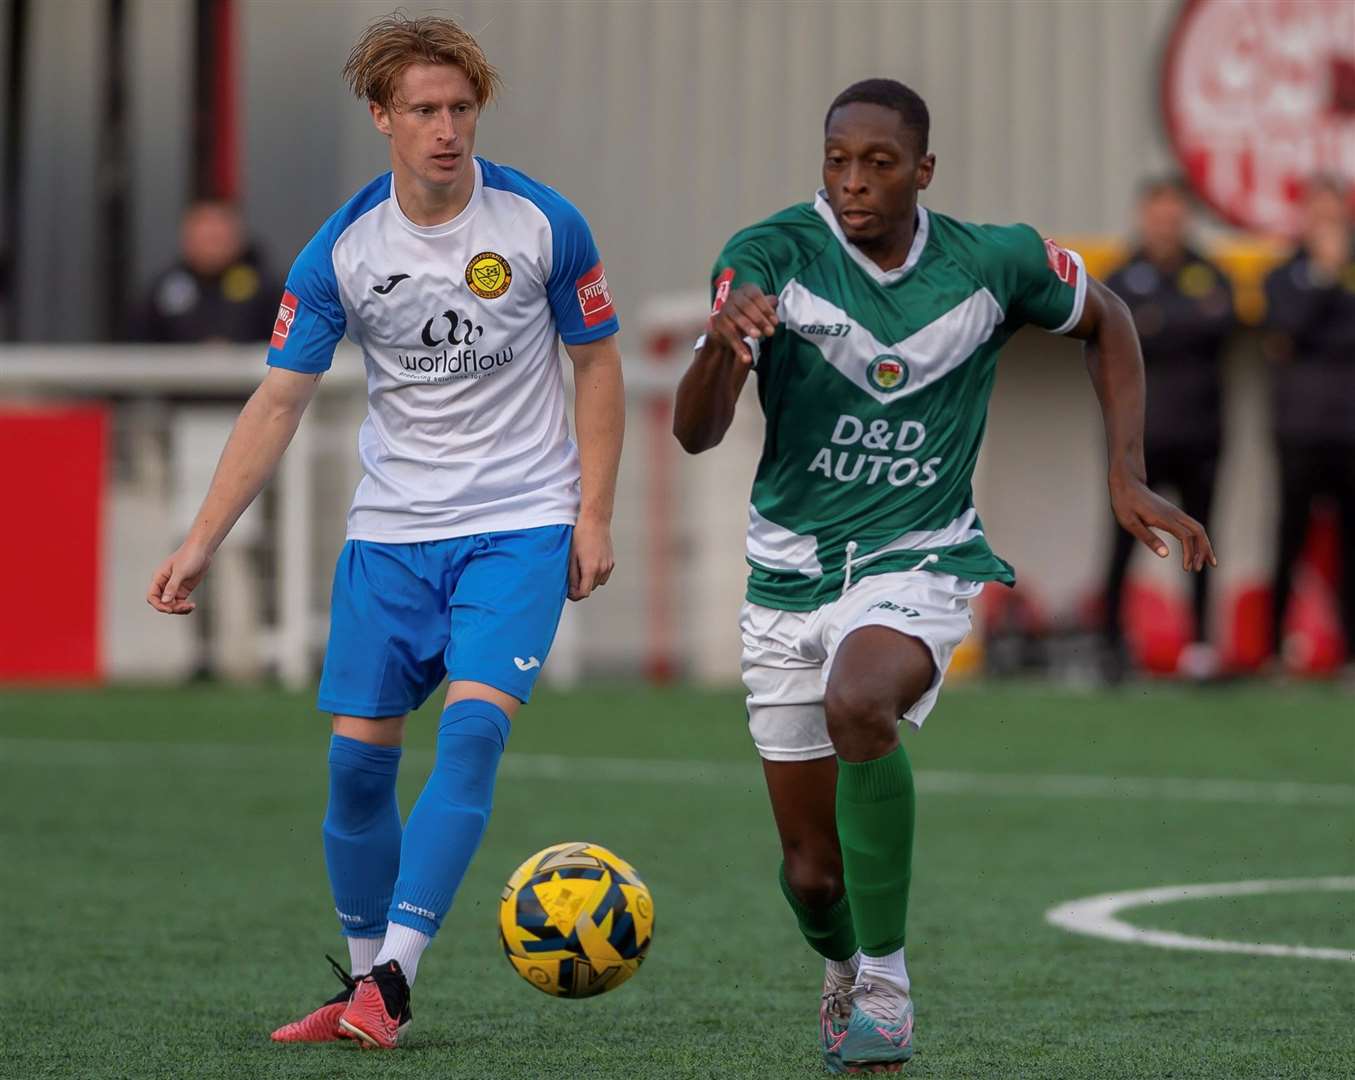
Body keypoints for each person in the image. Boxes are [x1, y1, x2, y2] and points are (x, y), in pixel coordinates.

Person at [673, 79, 1214, 1074]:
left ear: (923, 171)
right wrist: (723, 342)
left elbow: (1109, 323)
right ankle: (840, 965)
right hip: (786, 575)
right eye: (836, 160)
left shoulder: (992, 260)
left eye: (877, 163)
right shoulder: (769, 257)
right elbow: (696, 433)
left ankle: (885, 981)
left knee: (859, 698)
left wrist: (1123, 472)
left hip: (918, 555)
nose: (851, 182)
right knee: (809, 875)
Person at [146, 14, 624, 1050]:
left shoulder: (544, 224)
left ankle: (394, 983)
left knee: (473, 730)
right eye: (422, 110)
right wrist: (200, 541)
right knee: (356, 772)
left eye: (459, 108)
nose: (445, 129)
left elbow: (596, 364)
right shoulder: (342, 250)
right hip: (390, 537)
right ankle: (361, 980)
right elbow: (277, 402)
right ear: (381, 117)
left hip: (520, 525)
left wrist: (591, 512)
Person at [1101, 177, 1235, 681]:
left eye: (1175, 216)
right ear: (1143, 217)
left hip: (1201, 435)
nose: (1167, 224)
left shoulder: (1210, 273)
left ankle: (1200, 646)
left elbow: (1217, 326)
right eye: (1158, 214)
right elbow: (1114, 333)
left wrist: (1157, 323)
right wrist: (1175, 323)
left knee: (1200, 538)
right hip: (1137, 444)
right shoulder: (1120, 274)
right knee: (1120, 537)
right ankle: (1109, 642)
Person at [1263, 176, 1355, 674]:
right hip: (1299, 430)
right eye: (1317, 215)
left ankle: (1351, 655)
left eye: (1333, 215)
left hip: (1350, 431)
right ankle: (1277, 649)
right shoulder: (1285, 275)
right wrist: (1322, 276)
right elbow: (1285, 333)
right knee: (1289, 538)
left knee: (1350, 548)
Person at [129, 200, 281, 343]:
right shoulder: (163, 288)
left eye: (217, 239)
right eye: (204, 238)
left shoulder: (264, 287)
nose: (211, 248)